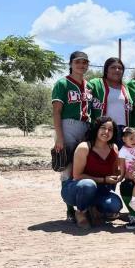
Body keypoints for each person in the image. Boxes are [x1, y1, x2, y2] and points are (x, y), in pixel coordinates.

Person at [61, 116, 123, 229]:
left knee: (115, 205)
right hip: (76, 189)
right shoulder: (84, 147)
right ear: (96, 129)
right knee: (88, 184)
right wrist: (104, 180)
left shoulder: (114, 148)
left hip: (99, 190)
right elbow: (77, 176)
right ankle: (80, 212)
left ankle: (93, 208)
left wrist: (129, 170)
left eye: (110, 130)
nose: (106, 132)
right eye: (103, 128)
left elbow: (115, 172)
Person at [52, 51, 93, 222]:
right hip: (67, 125)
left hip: (85, 126)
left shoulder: (88, 86)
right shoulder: (62, 83)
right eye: (78, 62)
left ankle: (83, 206)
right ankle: (69, 209)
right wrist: (59, 137)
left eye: (85, 62)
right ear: (70, 64)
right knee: (67, 167)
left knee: (83, 166)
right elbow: (56, 111)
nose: (81, 65)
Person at [88, 57, 131, 148]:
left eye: (120, 68)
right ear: (106, 70)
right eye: (113, 67)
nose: (117, 70)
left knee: (119, 158)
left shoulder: (125, 87)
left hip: (122, 130)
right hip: (103, 129)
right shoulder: (95, 83)